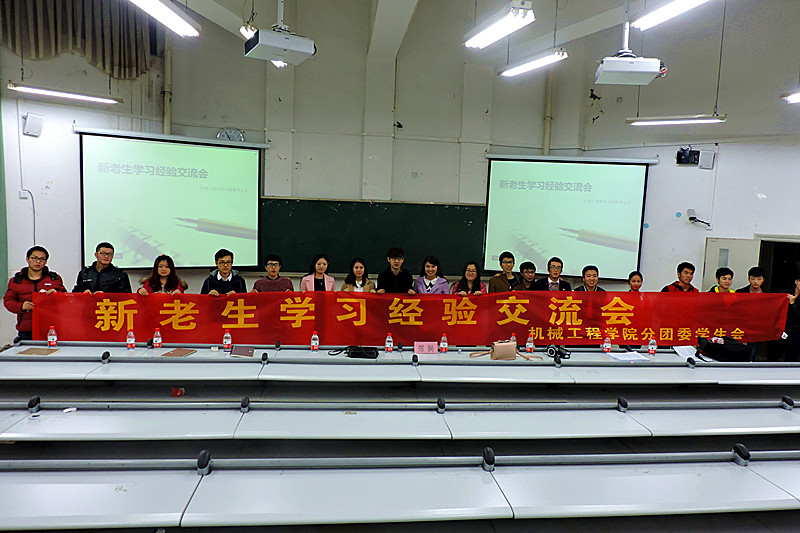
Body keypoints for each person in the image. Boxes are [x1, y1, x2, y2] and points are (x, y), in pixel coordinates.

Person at [4, 246, 66, 341]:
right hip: (26, 329)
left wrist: (57, 294)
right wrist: (21, 306)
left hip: (51, 328)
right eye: (34, 258)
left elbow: (66, 300)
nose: (38, 261)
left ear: (46, 261)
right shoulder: (16, 281)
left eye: (42, 259)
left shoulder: (54, 279)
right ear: (27, 259)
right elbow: (8, 301)